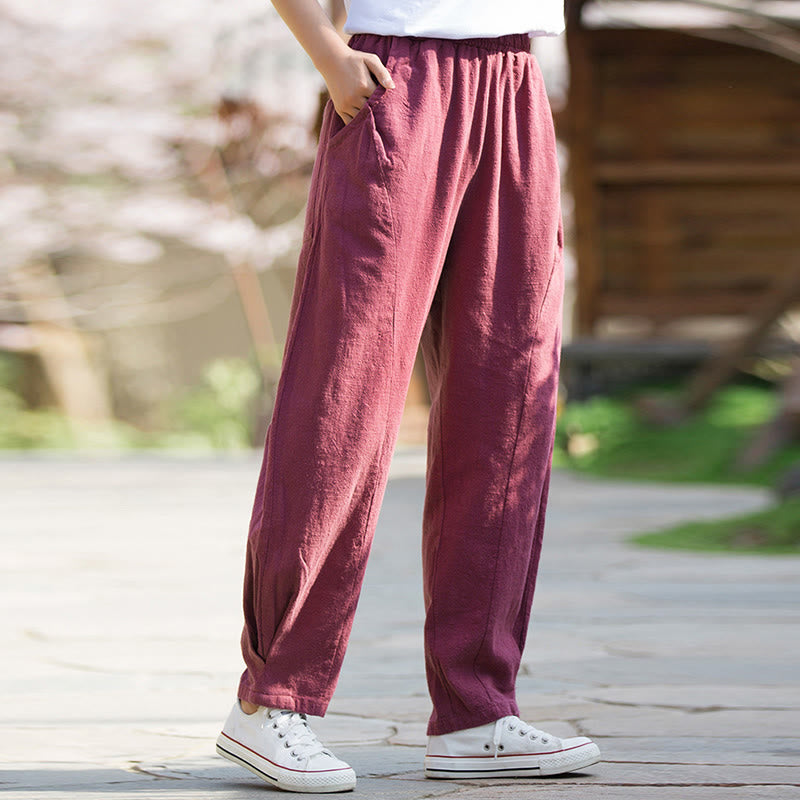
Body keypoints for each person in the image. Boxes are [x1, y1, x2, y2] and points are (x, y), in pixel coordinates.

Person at [215, 0, 601, 792]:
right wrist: (326, 50)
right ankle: (270, 699)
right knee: (344, 396)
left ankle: (477, 712)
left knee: (508, 396)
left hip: (517, 76)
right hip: (399, 75)